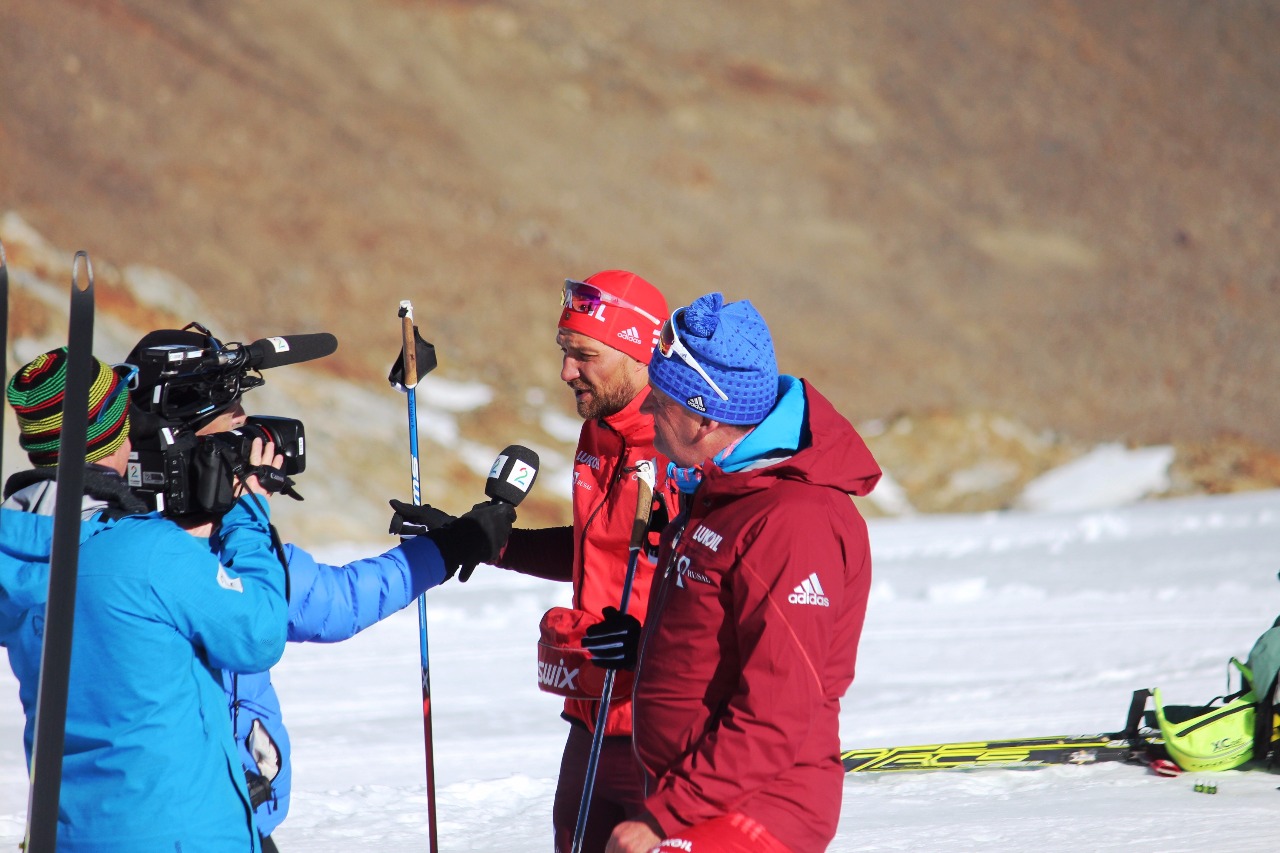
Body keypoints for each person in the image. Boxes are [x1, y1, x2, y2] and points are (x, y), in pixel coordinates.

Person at [123, 325, 516, 851]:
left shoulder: (96, 544)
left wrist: (451, 547)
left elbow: (335, 601)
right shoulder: (226, 557)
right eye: (234, 420)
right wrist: (247, 509)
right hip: (209, 821)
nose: (252, 436)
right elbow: (336, 606)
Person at [395, 270, 679, 852]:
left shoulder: (684, 444)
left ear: (636, 353)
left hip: (665, 725)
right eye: (564, 352)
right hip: (591, 715)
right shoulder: (599, 432)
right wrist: (484, 540)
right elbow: (593, 551)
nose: (566, 371)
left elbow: (715, 582)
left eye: (585, 355)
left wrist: (653, 644)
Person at [603, 292, 882, 853]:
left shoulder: (792, 521)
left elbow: (777, 715)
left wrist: (662, 820)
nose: (647, 413)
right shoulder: (726, 492)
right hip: (697, 795)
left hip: (757, 806)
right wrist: (654, 648)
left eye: (660, 401)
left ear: (704, 415)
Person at [0, 347, 289, 851]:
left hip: (68, 832)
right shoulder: (147, 550)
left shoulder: (11, 549)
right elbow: (259, 632)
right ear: (113, 434)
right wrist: (247, 512)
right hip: (181, 833)